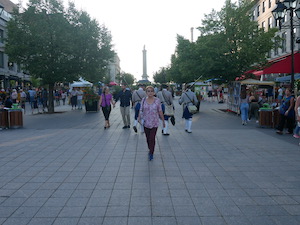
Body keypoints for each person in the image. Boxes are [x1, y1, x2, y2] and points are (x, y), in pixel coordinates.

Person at [138, 86, 165, 161]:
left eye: (151, 91)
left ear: (154, 92)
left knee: (152, 138)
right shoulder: (143, 100)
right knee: (147, 138)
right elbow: (141, 110)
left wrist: (163, 121)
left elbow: (160, 111)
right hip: (146, 122)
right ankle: (150, 148)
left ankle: (151, 152)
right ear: (146, 93)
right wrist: (139, 118)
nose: (150, 93)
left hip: (154, 122)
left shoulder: (157, 100)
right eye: (148, 91)